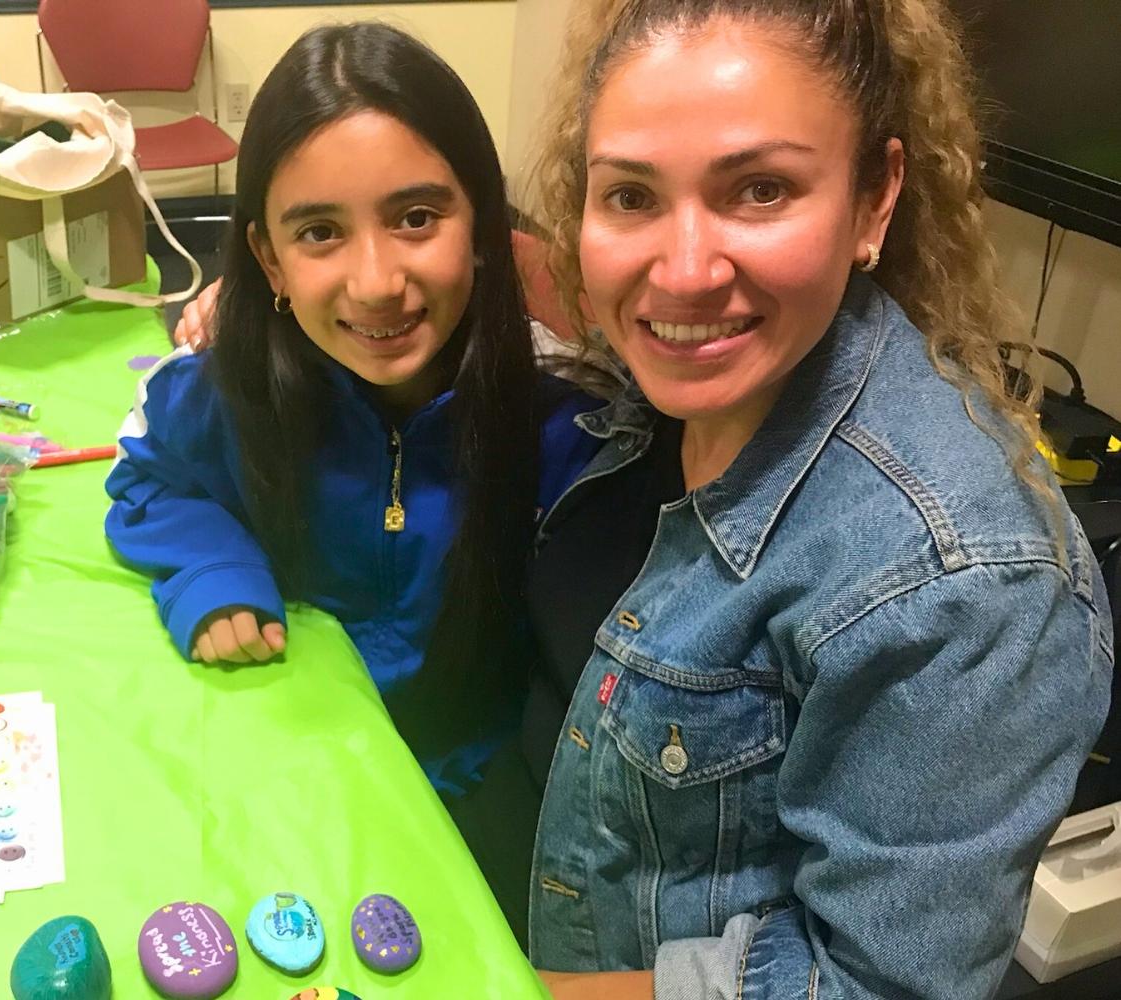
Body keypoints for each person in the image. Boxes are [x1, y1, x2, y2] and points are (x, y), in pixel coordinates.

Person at [518, 1, 1114, 998]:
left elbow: (872, 985)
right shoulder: (679, 379)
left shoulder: (964, 584)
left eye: (759, 189)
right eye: (630, 196)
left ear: (876, 199)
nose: (684, 270)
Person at [103, 22, 601, 935]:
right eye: (321, 232)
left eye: (417, 218)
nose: (376, 282)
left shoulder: (563, 427)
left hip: (480, 791)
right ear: (268, 260)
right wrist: (213, 573)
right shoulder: (223, 395)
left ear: (486, 230)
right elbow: (148, 478)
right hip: (280, 764)